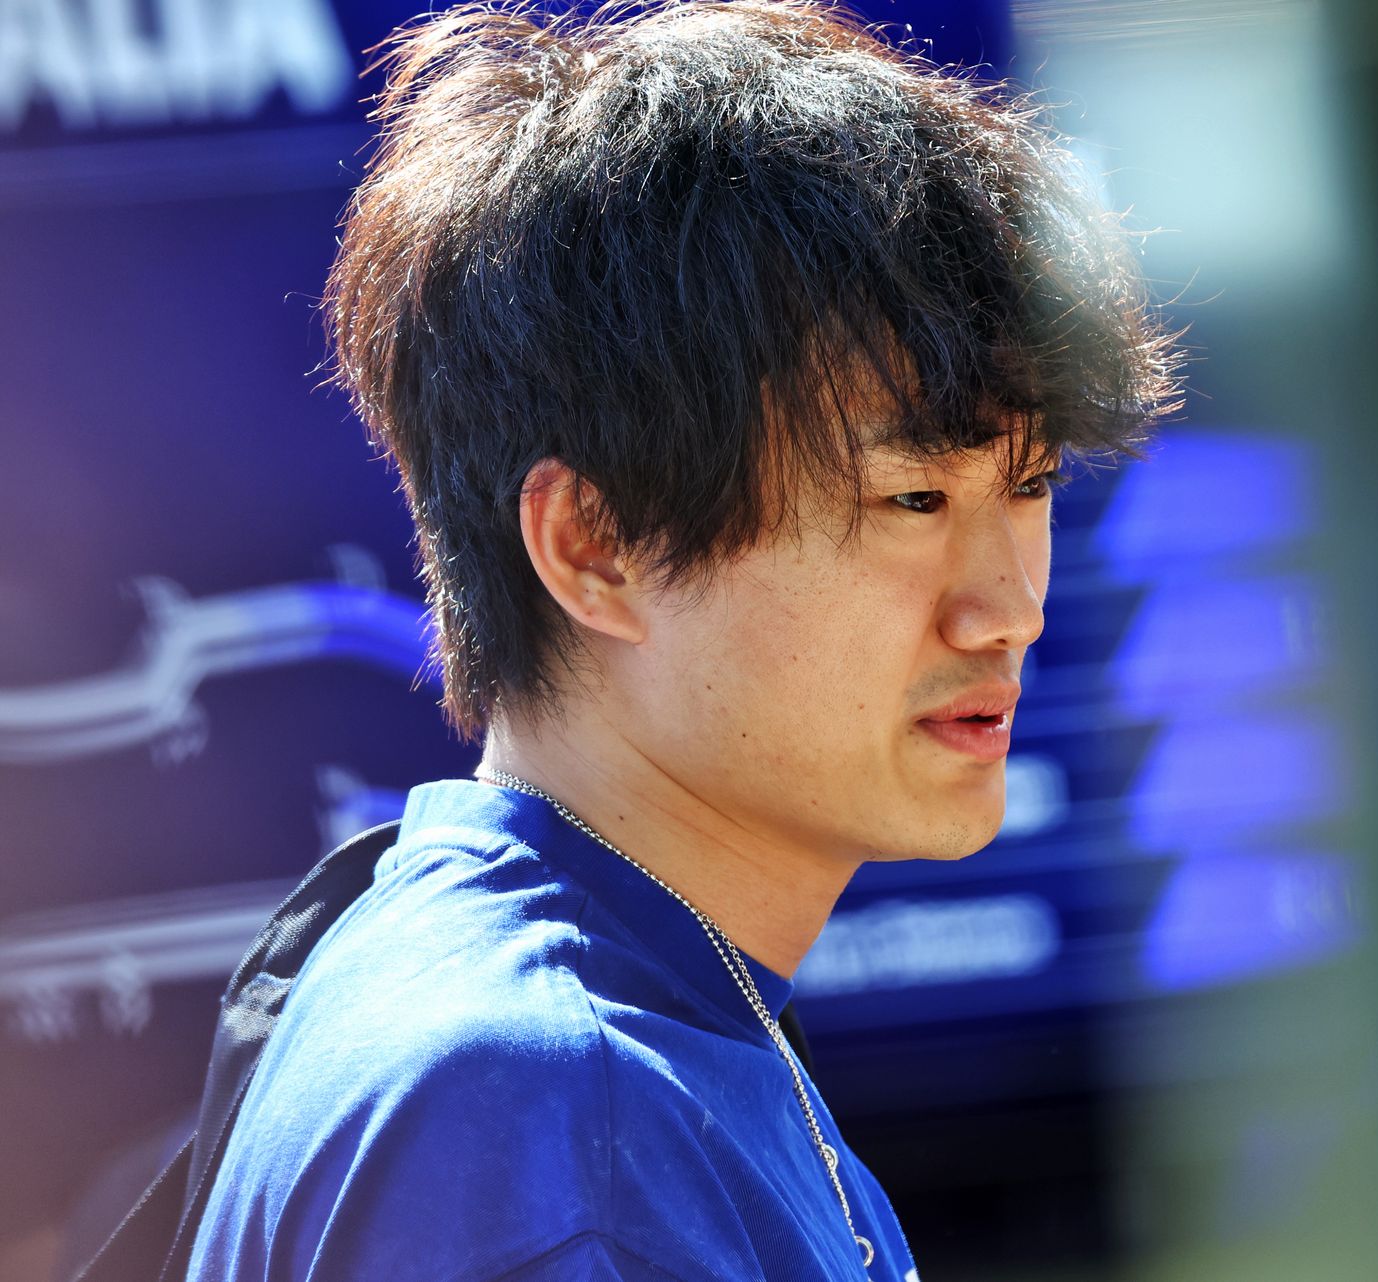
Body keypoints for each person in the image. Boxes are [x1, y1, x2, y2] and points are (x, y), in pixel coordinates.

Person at [187, 2, 1177, 1279]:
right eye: (913, 500)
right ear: (595, 545)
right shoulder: (556, 1120)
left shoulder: (591, 1009)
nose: (1007, 608)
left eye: (1030, 485)